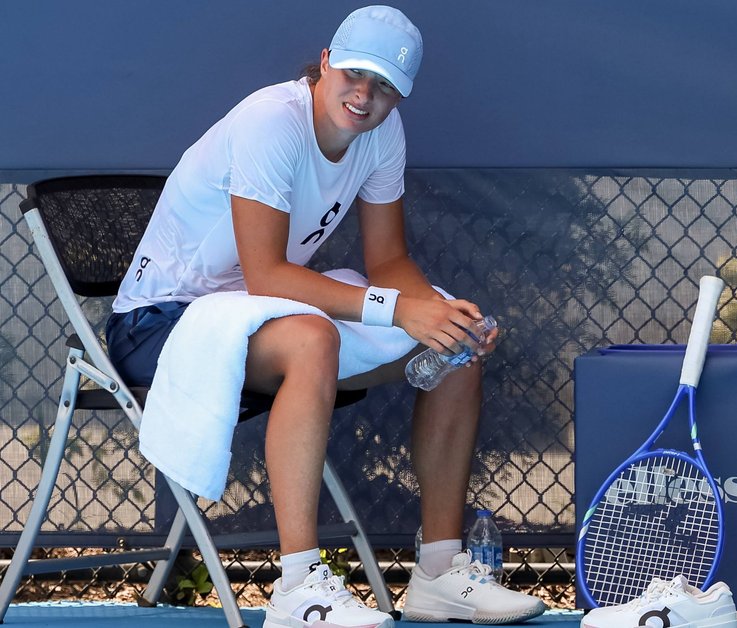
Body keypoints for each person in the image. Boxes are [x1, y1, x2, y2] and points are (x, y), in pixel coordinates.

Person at [106, 6, 545, 628]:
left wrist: (439, 315)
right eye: (355, 76)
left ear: (399, 96)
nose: (365, 97)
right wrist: (401, 310)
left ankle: (441, 576)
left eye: (385, 87)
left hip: (261, 315)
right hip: (159, 323)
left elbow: (388, 260)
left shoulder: (381, 134)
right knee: (313, 337)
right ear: (326, 63)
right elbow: (268, 275)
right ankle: (296, 590)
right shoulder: (270, 121)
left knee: (453, 345)